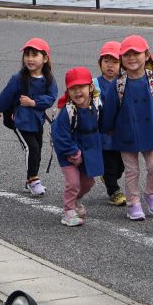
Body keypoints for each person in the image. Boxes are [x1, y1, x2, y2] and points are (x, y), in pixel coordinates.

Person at [99, 35, 153, 221]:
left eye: (136, 53)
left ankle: (151, 194)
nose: (131, 58)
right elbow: (109, 108)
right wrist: (106, 128)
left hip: (149, 132)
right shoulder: (118, 83)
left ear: (147, 55)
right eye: (126, 55)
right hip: (125, 134)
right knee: (132, 171)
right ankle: (133, 203)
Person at [0, 38, 58, 196]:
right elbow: (6, 95)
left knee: (38, 150)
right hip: (20, 120)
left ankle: (30, 180)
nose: (30, 58)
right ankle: (33, 181)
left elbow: (51, 97)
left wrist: (34, 102)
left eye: (35, 55)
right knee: (31, 148)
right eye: (27, 55)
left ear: (45, 58)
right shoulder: (18, 79)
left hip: (37, 121)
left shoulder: (48, 79)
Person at [52, 67, 104, 227]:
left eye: (81, 87)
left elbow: (102, 125)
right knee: (73, 183)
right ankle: (68, 211)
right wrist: (73, 153)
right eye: (73, 88)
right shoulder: (68, 111)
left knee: (88, 183)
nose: (77, 92)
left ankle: (75, 201)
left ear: (90, 87)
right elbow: (59, 135)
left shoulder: (97, 105)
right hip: (68, 153)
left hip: (88, 151)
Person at [95, 41, 126, 206]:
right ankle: (113, 190)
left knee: (121, 166)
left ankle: (108, 177)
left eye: (115, 62)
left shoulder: (125, 83)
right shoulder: (95, 84)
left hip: (121, 133)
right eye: (106, 61)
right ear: (99, 63)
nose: (110, 65)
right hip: (103, 133)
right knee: (110, 163)